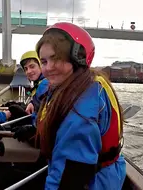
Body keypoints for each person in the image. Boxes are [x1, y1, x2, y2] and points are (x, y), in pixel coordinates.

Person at [31, 22, 126, 189]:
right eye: (44, 61)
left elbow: (68, 178)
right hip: (109, 174)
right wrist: (34, 130)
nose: (49, 68)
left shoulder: (80, 111)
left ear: (78, 57)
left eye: (57, 58)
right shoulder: (88, 83)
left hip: (95, 183)